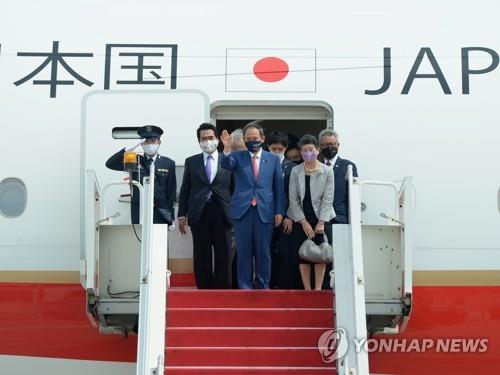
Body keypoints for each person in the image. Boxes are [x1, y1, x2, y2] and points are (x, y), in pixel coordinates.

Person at [220, 120, 285, 289]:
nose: (252, 141)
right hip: (243, 210)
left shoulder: (273, 159)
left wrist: (279, 211)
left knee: (263, 251)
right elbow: (226, 165)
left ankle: (263, 285)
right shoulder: (237, 156)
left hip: (266, 210)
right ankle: (245, 286)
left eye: (255, 137)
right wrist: (226, 148)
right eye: (248, 138)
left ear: (262, 138)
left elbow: (278, 187)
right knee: (244, 251)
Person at [178, 123, 233, 289]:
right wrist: (182, 215)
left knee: (224, 251)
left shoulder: (228, 159)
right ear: (198, 141)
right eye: (204, 138)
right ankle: (204, 287)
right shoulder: (191, 161)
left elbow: (235, 188)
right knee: (202, 252)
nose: (207, 141)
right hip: (199, 211)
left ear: (216, 139)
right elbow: (185, 189)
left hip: (223, 212)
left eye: (210, 138)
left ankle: (223, 286)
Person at [288, 134, 335, 290]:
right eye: (304, 150)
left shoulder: (327, 171)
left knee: (320, 254)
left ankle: (318, 289)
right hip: (301, 218)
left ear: (317, 150)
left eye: (311, 149)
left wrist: (321, 222)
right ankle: (307, 289)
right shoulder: (295, 171)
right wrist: (303, 222)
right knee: (303, 254)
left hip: (321, 218)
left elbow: (328, 198)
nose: (307, 153)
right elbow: (293, 199)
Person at [105, 125, 176, 225]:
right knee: (140, 240)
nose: (150, 144)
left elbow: (171, 193)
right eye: (146, 141)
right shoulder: (135, 160)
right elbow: (110, 164)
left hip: (160, 212)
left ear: (159, 142)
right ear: (141, 144)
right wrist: (127, 150)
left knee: (159, 240)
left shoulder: (168, 163)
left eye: (153, 140)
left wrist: (171, 216)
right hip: (139, 211)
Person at [318, 129, 358, 289]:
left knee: (340, 256)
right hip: (320, 220)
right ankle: (324, 288)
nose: (330, 147)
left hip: (340, 219)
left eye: (332, 144)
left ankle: (340, 288)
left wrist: (352, 219)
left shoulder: (348, 166)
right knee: (321, 255)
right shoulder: (315, 165)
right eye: (326, 144)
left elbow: (352, 195)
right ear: (320, 147)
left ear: (338, 145)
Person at [267, 131, 296, 289]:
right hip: (266, 215)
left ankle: (285, 284)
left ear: (285, 148)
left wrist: (290, 216)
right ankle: (269, 282)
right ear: (268, 147)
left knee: (285, 251)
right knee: (267, 251)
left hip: (286, 216)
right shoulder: (262, 164)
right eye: (274, 148)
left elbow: (296, 196)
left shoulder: (292, 168)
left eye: (280, 149)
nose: (277, 152)